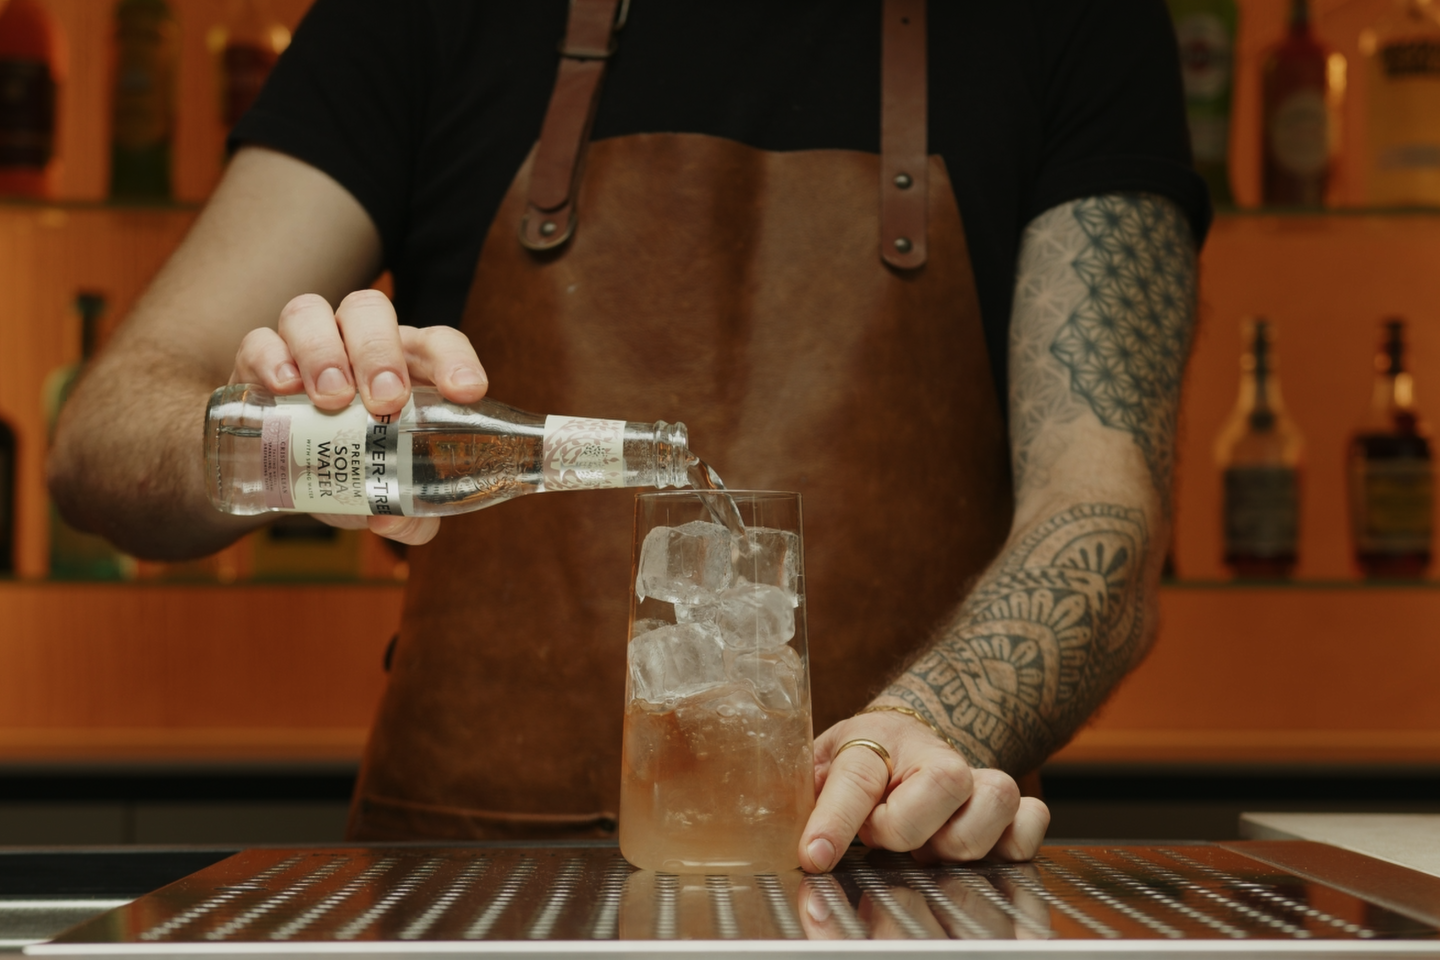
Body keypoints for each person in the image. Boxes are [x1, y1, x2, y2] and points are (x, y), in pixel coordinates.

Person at [48, 0, 1207, 871]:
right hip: (456, 893)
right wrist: (270, 428)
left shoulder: (1069, 18)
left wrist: (926, 726)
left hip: (873, 885)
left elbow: (1100, 506)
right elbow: (101, 441)